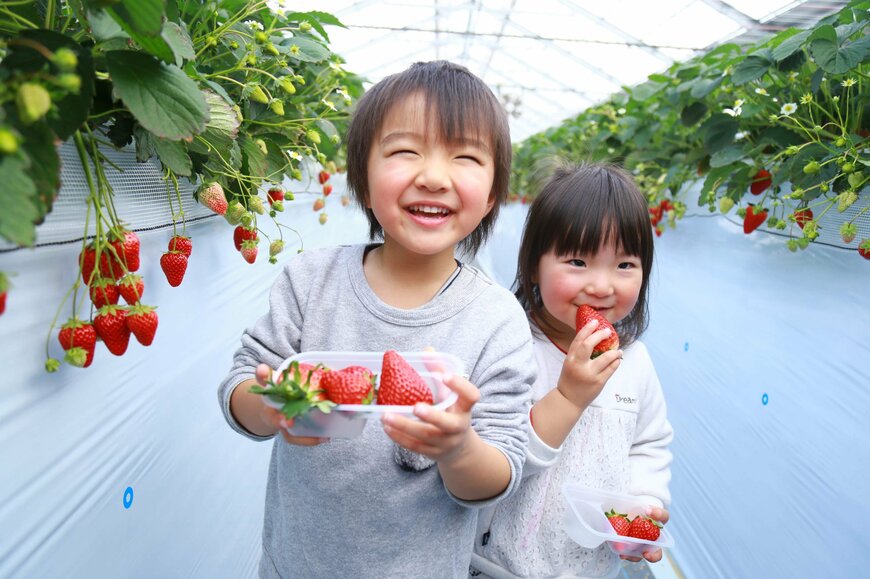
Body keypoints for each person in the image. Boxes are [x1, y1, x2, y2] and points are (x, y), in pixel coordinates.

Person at [218, 60, 535, 578]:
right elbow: (240, 386)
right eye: (406, 151)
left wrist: (458, 447)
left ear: (495, 191)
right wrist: (271, 403)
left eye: (465, 156)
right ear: (362, 178)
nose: (433, 176)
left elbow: (498, 474)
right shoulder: (310, 281)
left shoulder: (497, 321)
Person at [470, 161, 674, 578]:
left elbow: (648, 443)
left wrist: (644, 502)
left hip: (591, 568)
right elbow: (495, 460)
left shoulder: (634, 361)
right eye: (578, 262)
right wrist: (567, 396)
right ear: (533, 267)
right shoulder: (512, 347)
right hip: (495, 566)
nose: (601, 286)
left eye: (624, 265)